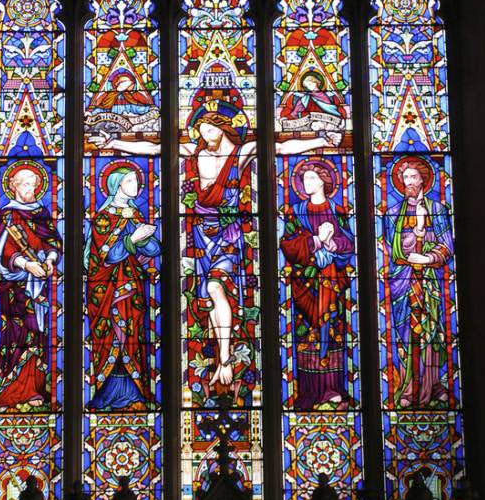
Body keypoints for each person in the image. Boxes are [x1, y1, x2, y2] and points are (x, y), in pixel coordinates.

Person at [95, 100, 330, 391]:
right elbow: (154, 149)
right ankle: (218, 359)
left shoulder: (241, 153)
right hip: (200, 238)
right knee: (207, 296)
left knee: (216, 288)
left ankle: (225, 358)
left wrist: (321, 140)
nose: (203, 135)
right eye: (201, 130)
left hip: (228, 236)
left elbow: (280, 147)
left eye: (208, 129)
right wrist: (114, 142)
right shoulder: (194, 152)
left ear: (222, 128)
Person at [84, 160, 159, 409]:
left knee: (133, 334)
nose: (136, 185)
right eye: (130, 181)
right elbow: (109, 255)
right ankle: (107, 395)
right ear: (116, 185)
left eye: (137, 181)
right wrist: (133, 239)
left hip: (133, 286)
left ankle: (136, 394)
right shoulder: (102, 218)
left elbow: (154, 250)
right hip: (106, 289)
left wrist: (144, 239)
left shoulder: (136, 215)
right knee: (111, 336)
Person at [280, 158, 354, 407]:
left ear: (323, 181)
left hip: (332, 283)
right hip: (305, 284)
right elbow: (287, 245)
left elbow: (350, 242)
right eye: (304, 179)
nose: (306, 183)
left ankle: (334, 389)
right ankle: (309, 392)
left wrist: (332, 244)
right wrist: (316, 241)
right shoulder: (295, 212)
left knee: (333, 334)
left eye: (311, 178)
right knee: (306, 336)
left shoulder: (338, 211)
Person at [384, 156, 453, 408]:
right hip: (403, 282)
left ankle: (433, 385)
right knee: (405, 335)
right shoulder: (393, 214)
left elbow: (448, 245)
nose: (408, 182)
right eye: (405, 178)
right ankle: (407, 388)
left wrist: (428, 258)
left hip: (430, 281)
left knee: (432, 333)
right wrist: (417, 233)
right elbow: (393, 250)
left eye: (413, 177)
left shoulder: (438, 210)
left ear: (424, 179)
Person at [0, 164, 62, 409]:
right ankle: (13, 389)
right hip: (15, 287)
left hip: (40, 285)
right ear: (13, 186)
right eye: (24, 184)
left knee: (40, 333)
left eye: (33, 184)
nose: (29, 189)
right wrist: (25, 264)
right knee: (19, 332)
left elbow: (52, 241)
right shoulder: (6, 215)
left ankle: (36, 389)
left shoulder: (41, 213)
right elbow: (2, 250)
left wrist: (50, 260)